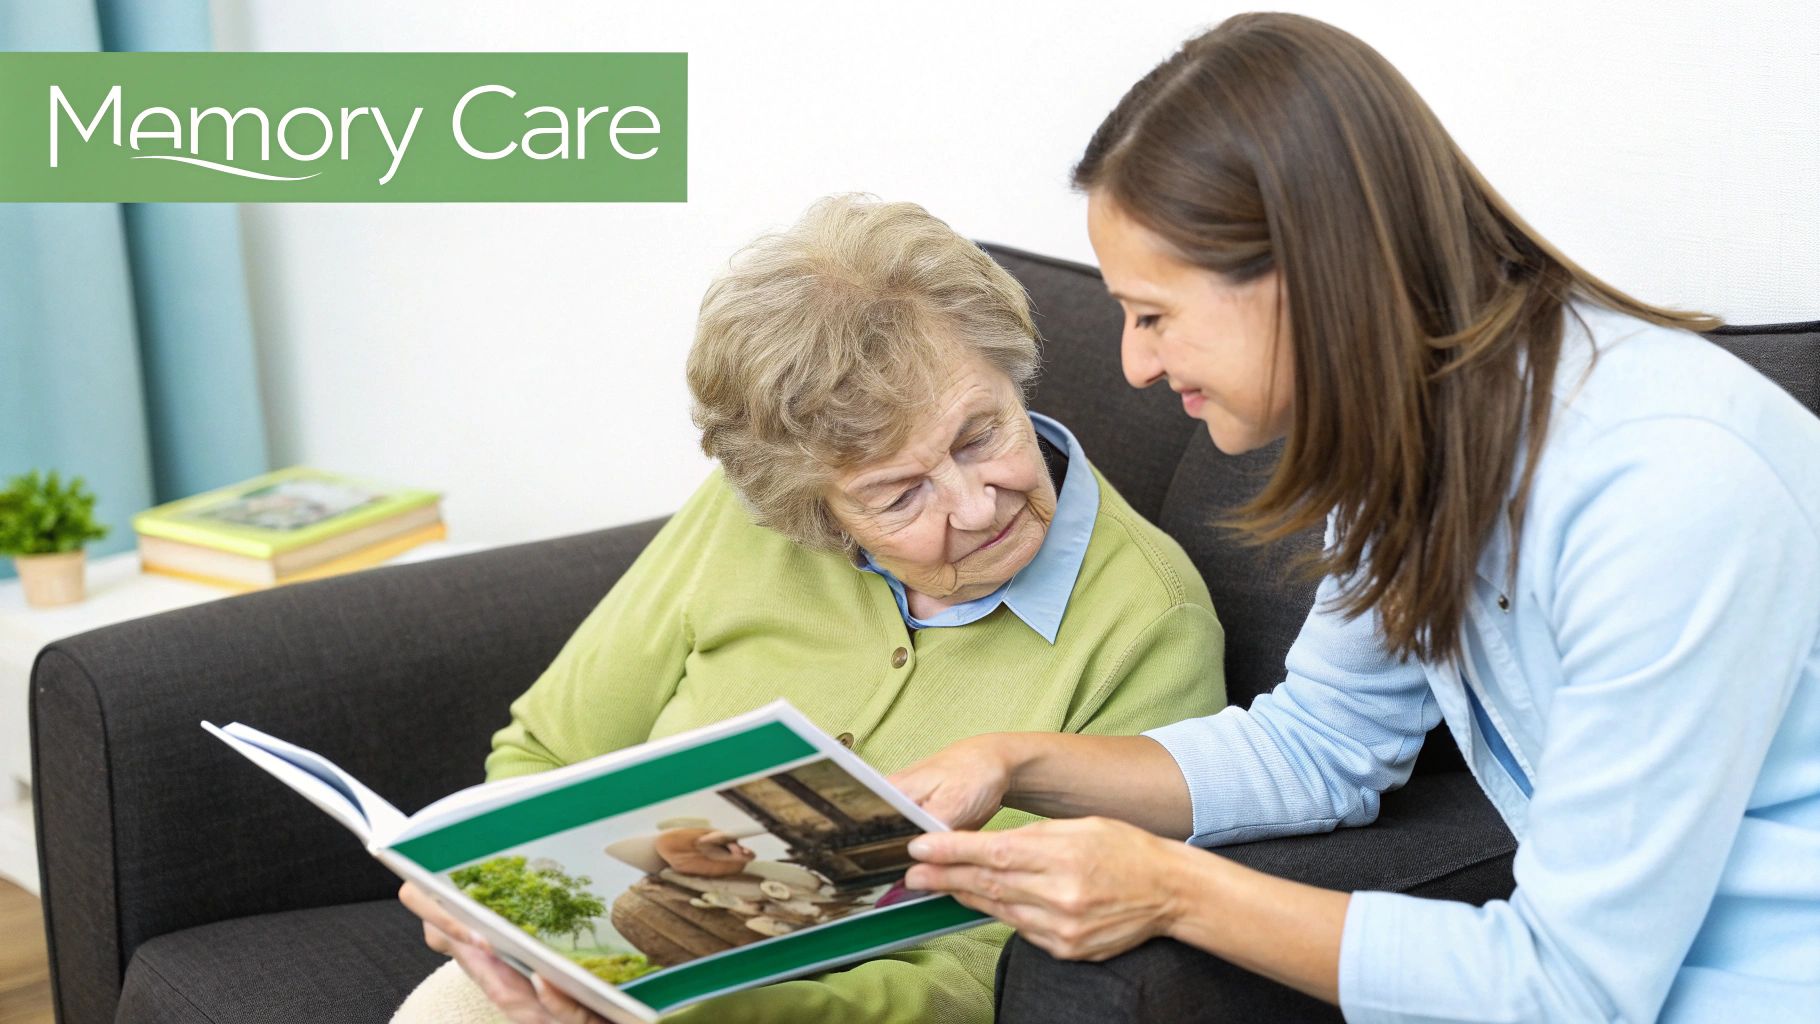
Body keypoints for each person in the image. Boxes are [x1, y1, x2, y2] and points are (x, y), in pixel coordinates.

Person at [893, 13, 1820, 1022]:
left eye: (1151, 312)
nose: (1133, 365)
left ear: (1302, 272)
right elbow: (1315, 747)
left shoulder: (1666, 488)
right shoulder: (1415, 455)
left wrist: (1168, 887)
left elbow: (1568, 985)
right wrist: (1014, 760)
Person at [390, 194, 1228, 1024]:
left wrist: (702, 1016)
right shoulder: (749, 520)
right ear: (814, 515)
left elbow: (985, 979)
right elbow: (546, 750)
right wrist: (502, 904)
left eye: (979, 436)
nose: (976, 507)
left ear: (1011, 373)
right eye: (900, 495)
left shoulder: (1148, 623)